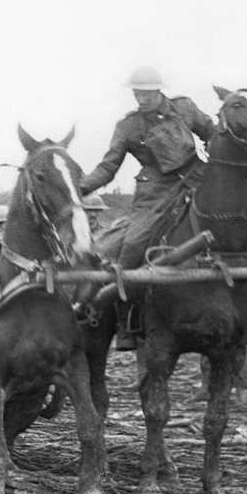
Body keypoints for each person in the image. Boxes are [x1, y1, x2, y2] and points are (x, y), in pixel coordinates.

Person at [80, 65, 215, 350]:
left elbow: (210, 132)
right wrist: (78, 189)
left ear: (159, 90)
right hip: (154, 193)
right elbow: (108, 167)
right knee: (131, 247)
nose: (141, 98)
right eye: (137, 93)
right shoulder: (128, 126)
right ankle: (126, 316)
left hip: (197, 179)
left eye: (147, 93)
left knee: (235, 227)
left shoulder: (184, 108)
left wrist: (218, 155)